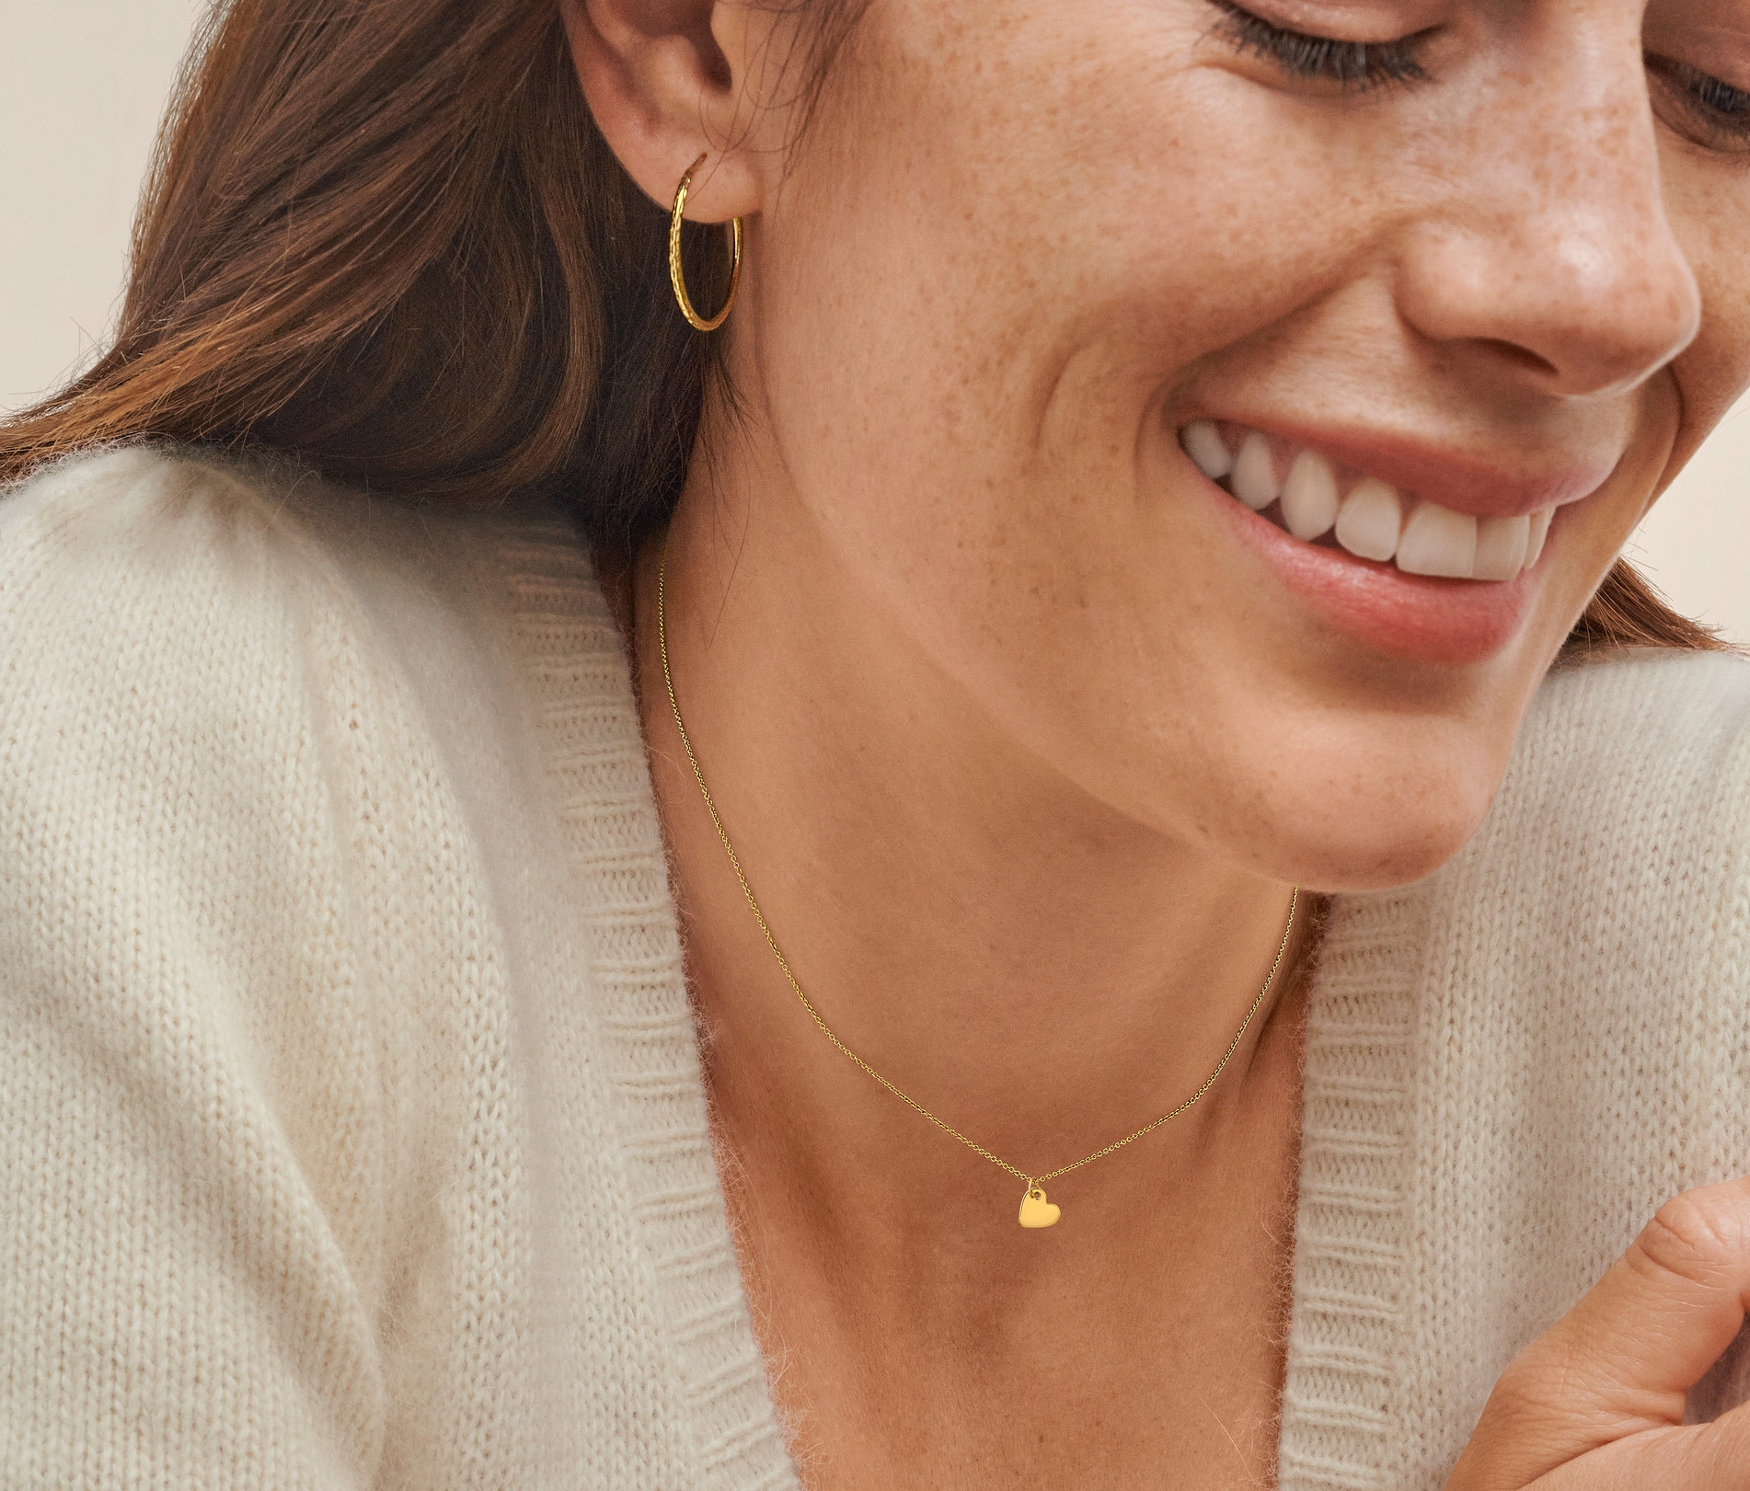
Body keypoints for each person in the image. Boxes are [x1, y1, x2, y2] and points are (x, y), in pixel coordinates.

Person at [2, 0, 1748, 1485]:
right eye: (1337, 23)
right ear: (693, 44)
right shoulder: (128, 789)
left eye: (1718, 74)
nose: (1612, 286)